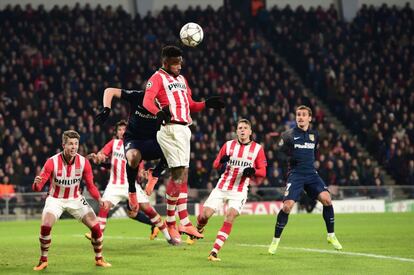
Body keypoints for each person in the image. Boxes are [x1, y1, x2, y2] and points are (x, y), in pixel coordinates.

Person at [94, 85, 202, 243]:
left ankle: (155, 175)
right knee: (132, 157)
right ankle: (131, 194)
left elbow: (184, 118)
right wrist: (106, 109)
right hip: (135, 142)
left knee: (174, 151)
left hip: (154, 141)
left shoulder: (166, 104)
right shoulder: (138, 96)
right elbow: (109, 91)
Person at [143, 45, 225, 242]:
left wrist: (207, 104)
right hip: (170, 129)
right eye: (176, 63)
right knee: (178, 174)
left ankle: (178, 222)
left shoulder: (181, 79)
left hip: (183, 129)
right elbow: (147, 101)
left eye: (181, 62)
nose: (180, 66)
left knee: (182, 175)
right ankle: (177, 222)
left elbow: (191, 105)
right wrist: (159, 112)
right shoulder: (157, 78)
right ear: (166, 63)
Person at [31, 130, 111, 270]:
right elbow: (38, 188)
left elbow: (91, 186)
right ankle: (43, 260)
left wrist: (99, 198)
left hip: (75, 198)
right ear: (63, 145)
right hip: (55, 199)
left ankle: (99, 258)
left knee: (96, 228)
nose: (74, 147)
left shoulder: (84, 162)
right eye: (70, 144)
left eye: (76, 144)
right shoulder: (52, 162)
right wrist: (36, 184)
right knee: (45, 226)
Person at [268, 105, 342, 255]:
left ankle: (331, 236)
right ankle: (275, 241)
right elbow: (277, 152)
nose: (300, 117)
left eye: (303, 115)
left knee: (327, 200)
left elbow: (313, 152)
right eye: (298, 114)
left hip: (311, 174)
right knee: (287, 207)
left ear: (309, 118)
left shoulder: (315, 135)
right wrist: (290, 157)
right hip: (296, 174)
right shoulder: (288, 135)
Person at [190, 119, 267, 261]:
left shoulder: (257, 149)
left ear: (250, 131)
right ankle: (200, 227)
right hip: (222, 187)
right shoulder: (228, 145)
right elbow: (215, 165)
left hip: (239, 190)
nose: (242, 130)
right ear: (236, 131)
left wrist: (253, 171)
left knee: (230, 215)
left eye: (245, 128)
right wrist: (221, 161)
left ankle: (214, 252)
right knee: (204, 215)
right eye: (240, 128)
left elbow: (263, 172)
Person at [84, 120, 173, 243]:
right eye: (119, 130)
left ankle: (169, 237)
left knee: (148, 210)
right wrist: (97, 158)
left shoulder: (136, 146)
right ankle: (97, 236)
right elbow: (102, 156)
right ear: (116, 132)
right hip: (115, 185)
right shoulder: (113, 143)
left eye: (124, 129)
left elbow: (140, 169)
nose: (122, 132)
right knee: (104, 207)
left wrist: (143, 174)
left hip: (132, 186)